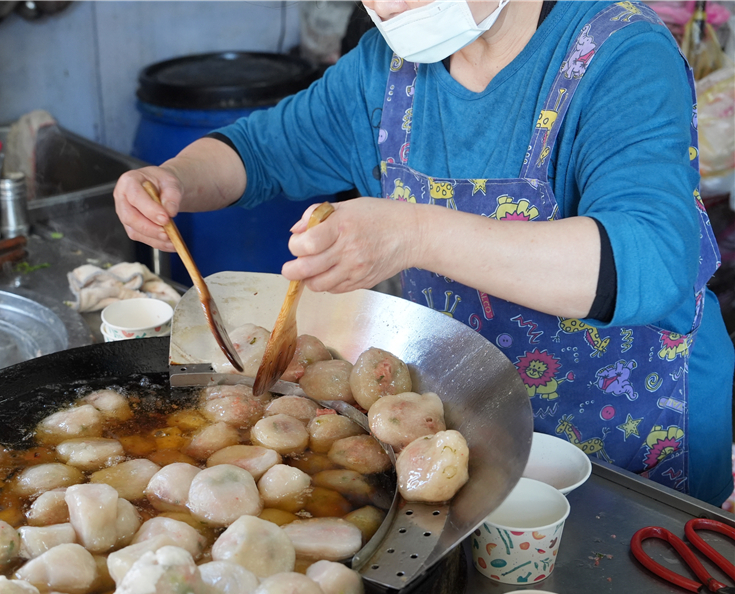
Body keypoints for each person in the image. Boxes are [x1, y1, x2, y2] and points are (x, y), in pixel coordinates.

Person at [113, 0, 734, 507]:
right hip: (467, 435)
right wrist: (175, 178)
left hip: (627, 449)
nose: (385, 5)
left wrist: (411, 234)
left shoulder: (622, 55)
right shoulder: (389, 70)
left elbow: (651, 260)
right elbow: (261, 150)